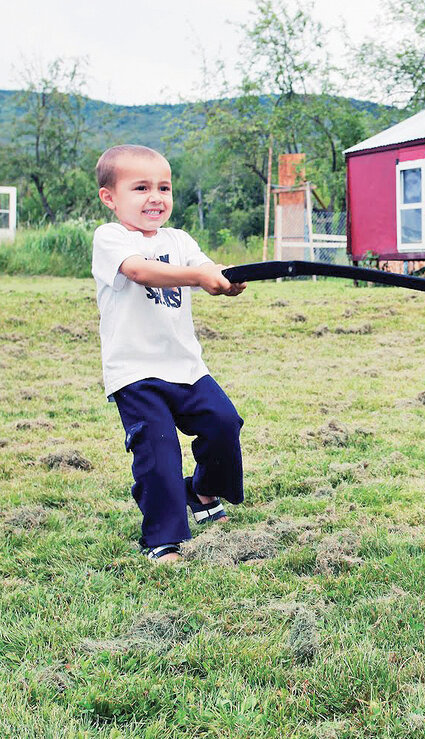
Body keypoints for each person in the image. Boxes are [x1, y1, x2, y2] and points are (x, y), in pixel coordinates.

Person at [92, 144, 247, 562]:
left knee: (223, 422)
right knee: (158, 451)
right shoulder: (111, 238)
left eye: (164, 187)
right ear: (110, 197)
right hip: (135, 374)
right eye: (141, 187)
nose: (156, 197)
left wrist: (226, 281)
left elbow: (207, 270)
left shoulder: (179, 240)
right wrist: (198, 276)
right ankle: (162, 538)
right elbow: (140, 271)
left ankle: (201, 491)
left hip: (186, 367)